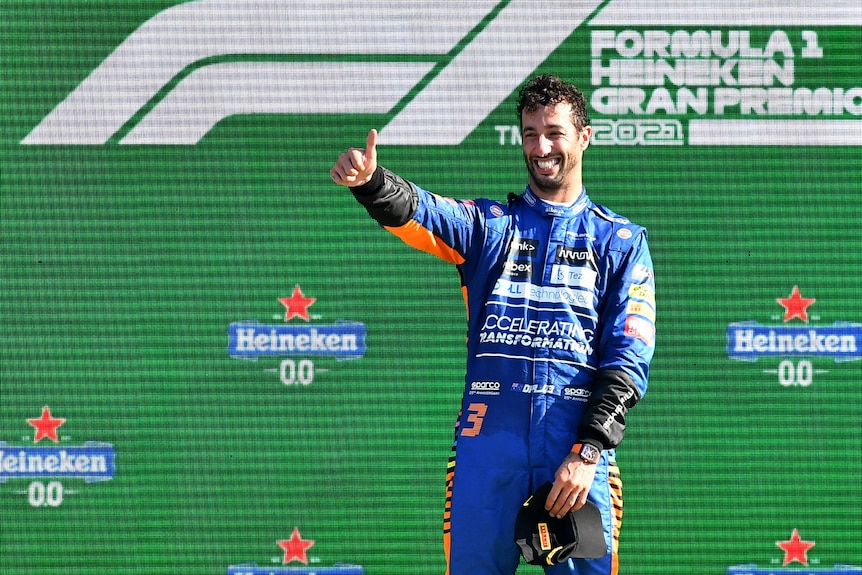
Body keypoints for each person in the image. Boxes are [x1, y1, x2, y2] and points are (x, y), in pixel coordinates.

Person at [330, 75, 656, 575]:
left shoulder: (621, 241)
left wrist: (589, 450)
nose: (540, 147)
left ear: (584, 137)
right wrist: (372, 182)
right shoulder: (490, 226)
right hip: (486, 452)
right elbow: (423, 211)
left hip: (576, 459)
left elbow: (628, 359)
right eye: (530, 133)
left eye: (554, 132)